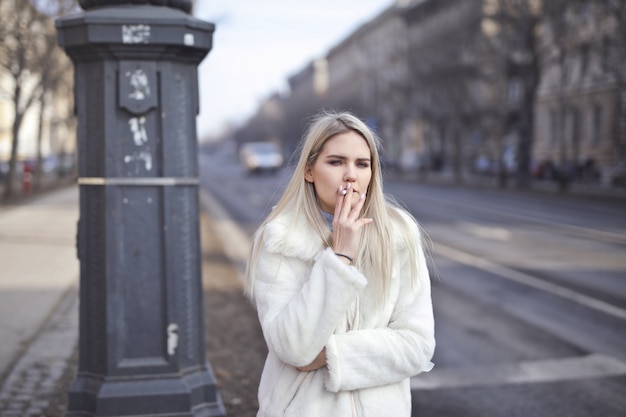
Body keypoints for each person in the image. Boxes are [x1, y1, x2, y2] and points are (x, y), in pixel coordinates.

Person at [245, 111, 435, 417]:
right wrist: (340, 257)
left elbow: (417, 346)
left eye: (362, 164)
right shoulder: (281, 238)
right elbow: (293, 347)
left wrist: (329, 354)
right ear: (309, 170)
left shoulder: (399, 234)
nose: (351, 175)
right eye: (336, 162)